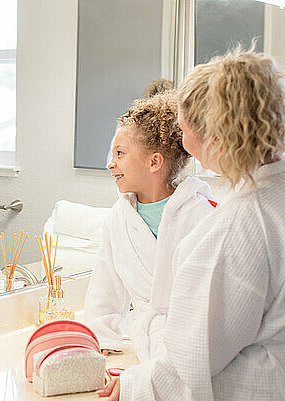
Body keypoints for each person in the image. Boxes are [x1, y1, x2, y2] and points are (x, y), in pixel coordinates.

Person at [99, 49, 285, 401]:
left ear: (215, 138)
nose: (182, 145)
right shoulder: (274, 198)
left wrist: (134, 385)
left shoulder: (238, 226)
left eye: (183, 131)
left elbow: (193, 357)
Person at [84, 91, 216, 362]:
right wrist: (102, 336)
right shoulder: (118, 218)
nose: (111, 163)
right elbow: (106, 285)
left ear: (154, 162)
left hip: (196, 343)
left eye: (120, 154)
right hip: (146, 345)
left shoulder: (200, 215)